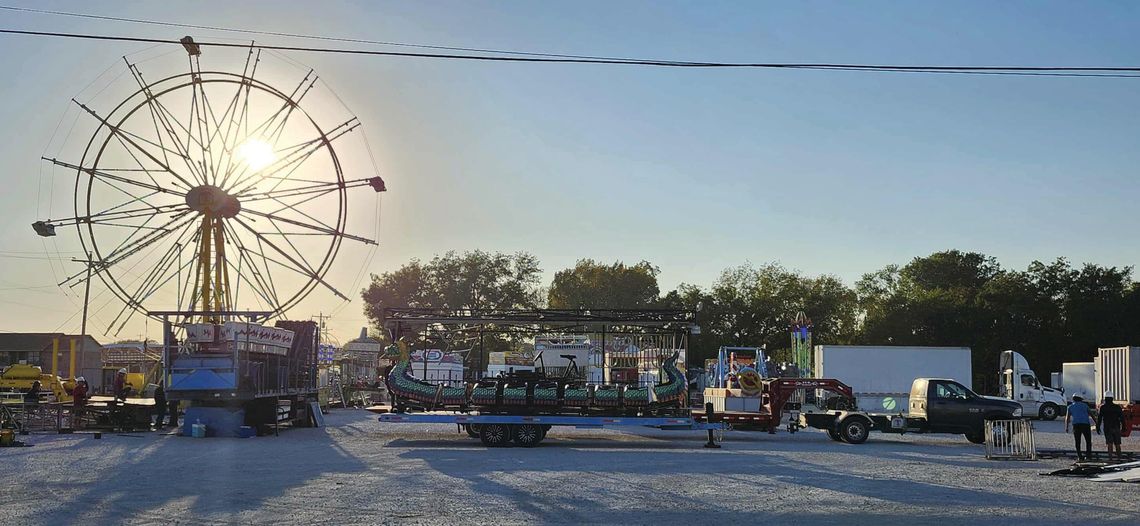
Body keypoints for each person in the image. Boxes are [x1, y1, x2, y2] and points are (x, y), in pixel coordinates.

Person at [1097, 390, 1125, 462]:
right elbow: (1122, 418)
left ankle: (1110, 459)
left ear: (1105, 398)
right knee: (1118, 444)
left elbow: (1099, 418)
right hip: (1116, 427)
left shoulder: (1102, 407)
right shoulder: (1117, 407)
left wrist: (1098, 427)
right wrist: (1124, 427)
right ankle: (1119, 458)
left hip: (1107, 428)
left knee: (1109, 444)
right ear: (1112, 398)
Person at [1065, 394, 1094, 461]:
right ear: (1081, 398)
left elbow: (1067, 418)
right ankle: (1088, 456)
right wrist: (1096, 424)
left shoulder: (1070, 407)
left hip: (1076, 425)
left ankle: (1080, 456)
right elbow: (1091, 414)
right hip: (1085, 425)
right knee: (1088, 441)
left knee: (1077, 441)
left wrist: (1066, 427)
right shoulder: (1085, 405)